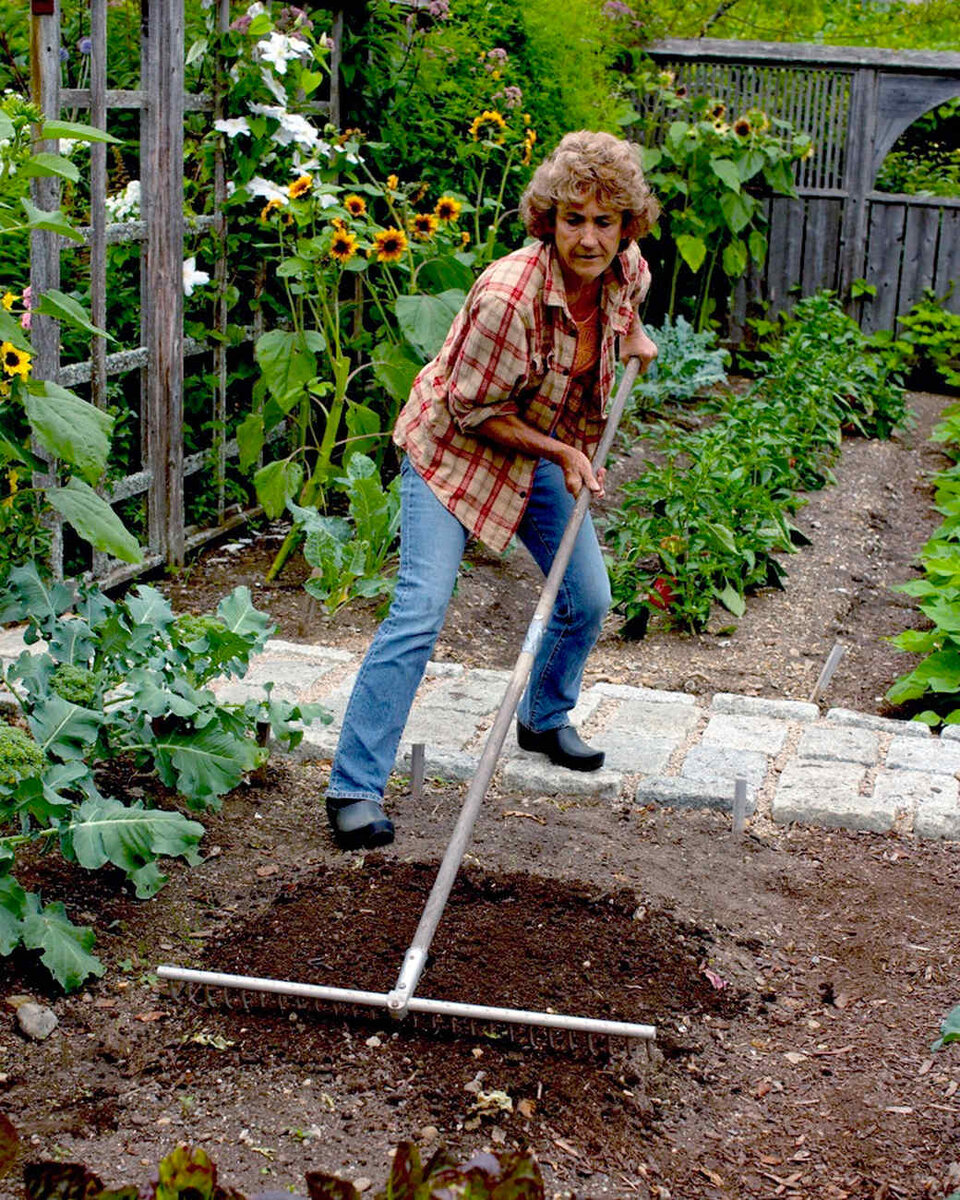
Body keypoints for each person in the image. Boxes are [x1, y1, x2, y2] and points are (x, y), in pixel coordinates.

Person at [325, 129, 659, 850]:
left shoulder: (625, 268)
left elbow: (627, 299)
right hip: (455, 446)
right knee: (420, 609)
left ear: (626, 226)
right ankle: (353, 787)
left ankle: (543, 717)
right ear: (549, 219)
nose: (590, 238)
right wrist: (563, 449)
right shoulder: (508, 296)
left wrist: (630, 335)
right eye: (574, 219)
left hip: (538, 444)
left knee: (588, 598)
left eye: (605, 222)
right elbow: (470, 409)